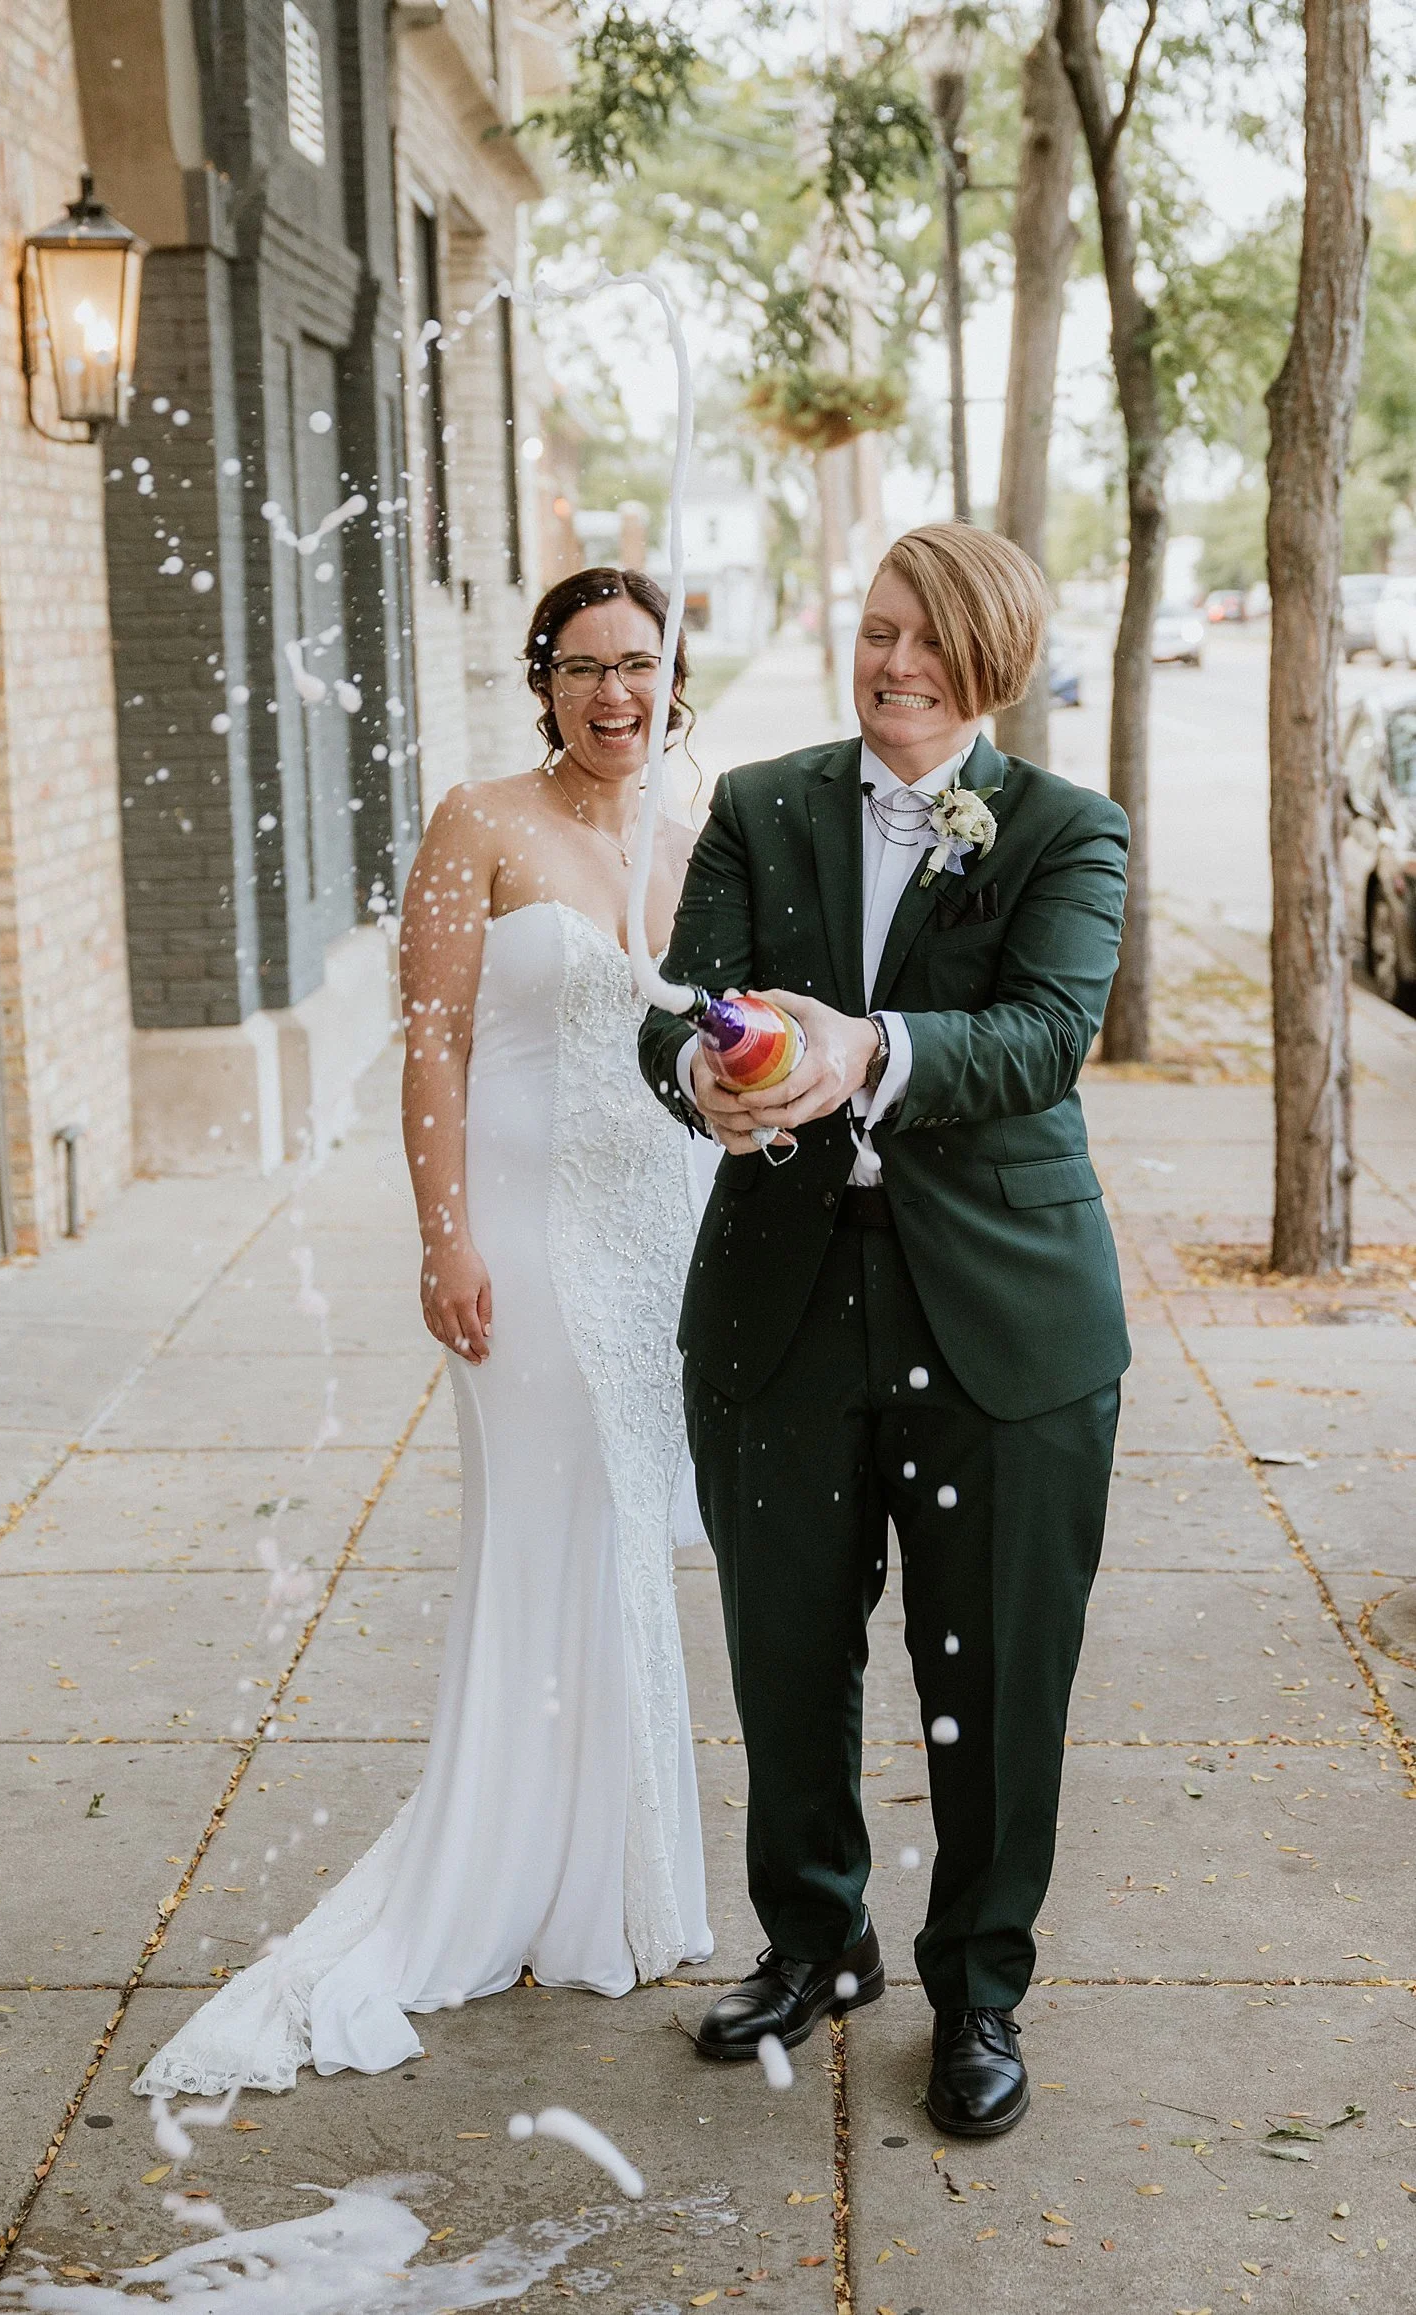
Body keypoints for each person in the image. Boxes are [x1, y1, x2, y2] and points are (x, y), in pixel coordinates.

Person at [135, 567, 711, 2100]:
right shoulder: (477, 821)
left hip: (657, 1233)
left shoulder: (691, 838)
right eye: (580, 667)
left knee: (623, 1543)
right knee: (540, 1536)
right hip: (519, 1236)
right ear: (542, 682)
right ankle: (504, 1868)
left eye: (637, 664)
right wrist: (442, 1233)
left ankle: (615, 1878)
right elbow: (436, 1038)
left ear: (672, 678)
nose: (612, 694)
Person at [639, 523, 1130, 2138]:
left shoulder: (1064, 829)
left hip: (1004, 1317)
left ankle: (978, 1986)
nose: (894, 664)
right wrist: (705, 1077)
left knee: (993, 1666)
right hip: (778, 1305)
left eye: (927, 639)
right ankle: (812, 1939)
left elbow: (1042, 1035)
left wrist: (867, 1047)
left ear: (991, 658)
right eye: (875, 630)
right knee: (783, 1649)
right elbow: (682, 1009)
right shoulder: (758, 804)